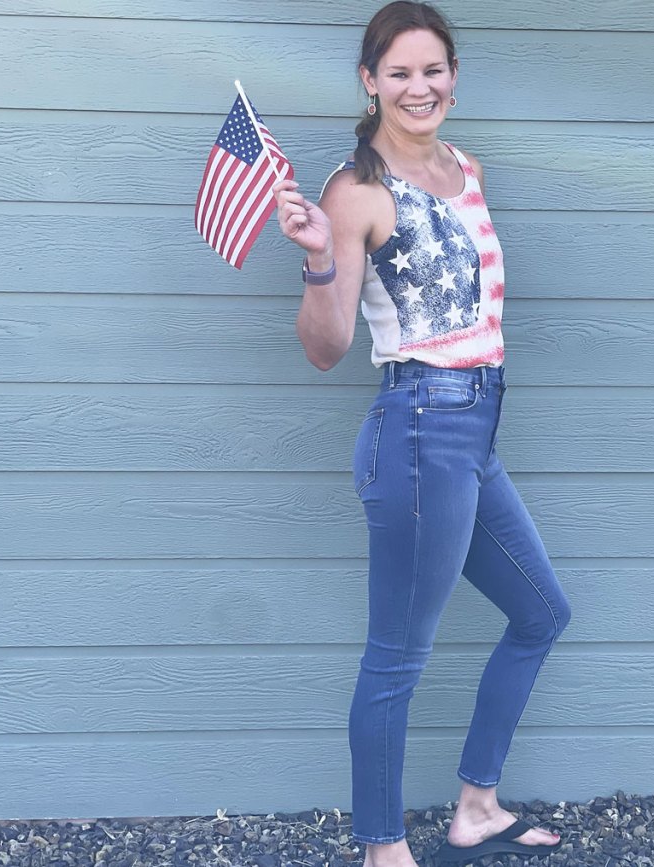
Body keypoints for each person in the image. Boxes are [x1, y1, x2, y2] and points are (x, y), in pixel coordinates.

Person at [271, 3, 571, 864]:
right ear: (369, 81)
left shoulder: (462, 168)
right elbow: (327, 347)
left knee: (542, 611)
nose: (418, 86)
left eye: (432, 69)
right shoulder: (355, 189)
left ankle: (476, 805)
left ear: (453, 76)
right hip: (417, 432)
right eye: (398, 72)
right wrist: (320, 255)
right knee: (397, 657)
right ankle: (381, 847)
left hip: (475, 427)